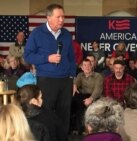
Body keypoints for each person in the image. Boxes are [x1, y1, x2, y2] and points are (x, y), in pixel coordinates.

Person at [24, 3, 76, 138]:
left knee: (64, 114)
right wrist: (48, 58)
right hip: (46, 80)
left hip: (65, 81)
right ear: (48, 17)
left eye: (63, 17)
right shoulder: (37, 33)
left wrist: (72, 78)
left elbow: (71, 57)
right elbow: (28, 56)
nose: (62, 20)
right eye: (58, 17)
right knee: (45, 113)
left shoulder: (66, 34)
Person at [72, 58, 103, 134]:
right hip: (82, 97)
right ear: (81, 67)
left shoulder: (98, 76)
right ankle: (74, 128)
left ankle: (81, 129)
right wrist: (74, 85)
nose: (87, 67)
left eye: (89, 65)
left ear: (92, 66)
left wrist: (91, 99)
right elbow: (76, 83)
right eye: (85, 65)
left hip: (94, 97)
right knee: (72, 102)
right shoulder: (80, 75)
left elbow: (98, 90)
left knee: (81, 104)